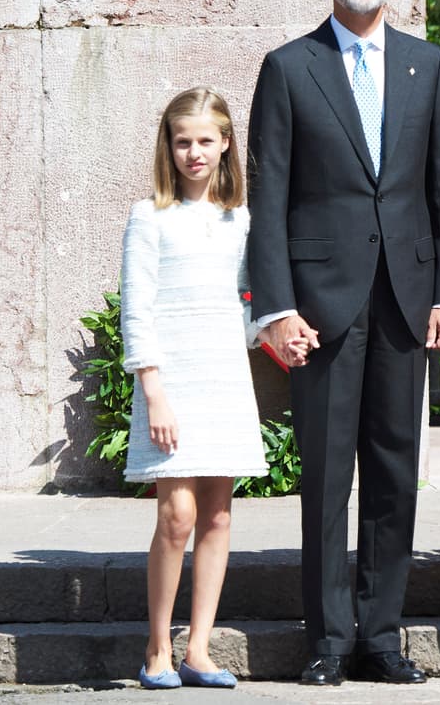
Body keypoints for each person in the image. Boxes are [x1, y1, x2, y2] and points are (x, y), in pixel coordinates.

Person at [246, 0, 440, 686]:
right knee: (327, 477)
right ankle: (329, 640)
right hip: (321, 309)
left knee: (394, 472)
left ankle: (382, 635)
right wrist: (275, 309)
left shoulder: (426, 65)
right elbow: (268, 197)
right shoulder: (288, 68)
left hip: (408, 304)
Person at [121, 87, 307, 689]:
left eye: (205, 140)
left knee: (219, 516)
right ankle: (157, 649)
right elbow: (136, 308)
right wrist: (153, 391)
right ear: (167, 146)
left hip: (223, 375)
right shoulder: (148, 216)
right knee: (176, 514)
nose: (194, 153)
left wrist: (282, 337)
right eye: (182, 141)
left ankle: (198, 649)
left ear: (226, 142)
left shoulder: (241, 220)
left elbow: (250, 308)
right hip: (171, 381)